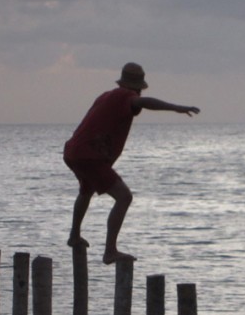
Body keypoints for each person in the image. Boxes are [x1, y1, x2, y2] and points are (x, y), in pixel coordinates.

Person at [64, 62, 200, 265]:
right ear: (136, 87)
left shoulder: (106, 96)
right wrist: (177, 108)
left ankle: (74, 235)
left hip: (74, 151)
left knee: (86, 191)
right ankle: (110, 251)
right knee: (124, 197)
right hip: (90, 155)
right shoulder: (125, 96)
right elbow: (143, 103)